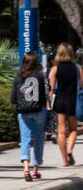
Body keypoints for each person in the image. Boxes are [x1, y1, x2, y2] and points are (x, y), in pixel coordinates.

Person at [12, 51, 48, 181]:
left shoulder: (18, 77)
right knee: (39, 140)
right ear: (36, 62)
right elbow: (45, 94)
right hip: (39, 110)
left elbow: (13, 98)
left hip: (24, 112)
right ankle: (35, 170)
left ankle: (26, 169)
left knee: (25, 139)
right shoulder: (41, 76)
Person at [49, 43, 79, 166]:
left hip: (60, 101)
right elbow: (81, 85)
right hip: (73, 100)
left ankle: (64, 161)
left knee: (61, 131)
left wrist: (48, 102)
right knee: (73, 130)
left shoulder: (55, 69)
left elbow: (51, 88)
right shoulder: (77, 68)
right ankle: (69, 150)